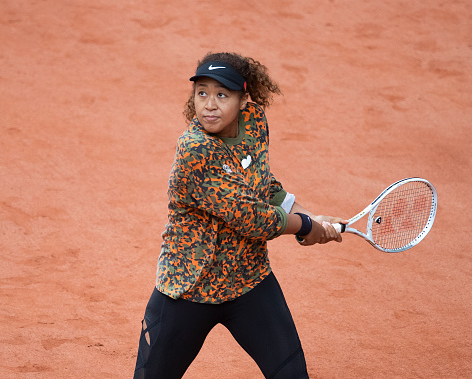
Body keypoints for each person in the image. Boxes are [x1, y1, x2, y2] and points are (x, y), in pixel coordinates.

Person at [133, 52, 346, 379]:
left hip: (248, 282)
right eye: (202, 92)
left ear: (244, 98)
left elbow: (263, 183)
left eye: (222, 94)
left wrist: (304, 213)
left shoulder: (254, 122)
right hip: (189, 288)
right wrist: (306, 226)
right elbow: (254, 219)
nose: (209, 104)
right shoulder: (195, 151)